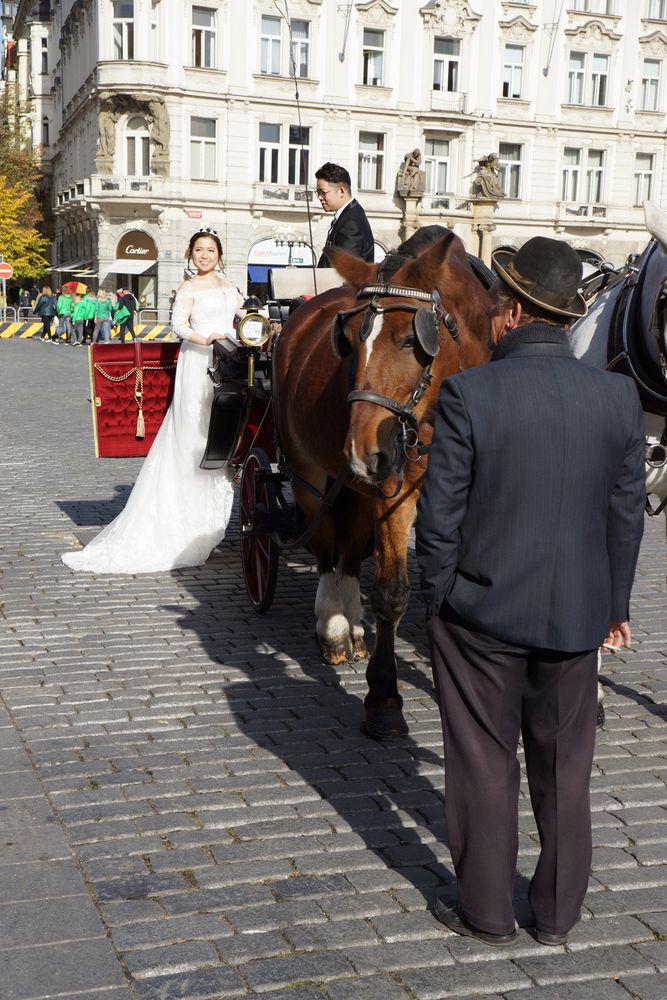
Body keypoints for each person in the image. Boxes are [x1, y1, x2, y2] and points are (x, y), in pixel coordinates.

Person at [415, 237, 646, 949]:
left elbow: (438, 517)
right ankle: (554, 916)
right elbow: (625, 512)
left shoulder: (468, 391)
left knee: (483, 762)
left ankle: (486, 913)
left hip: (479, 610)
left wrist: (439, 597)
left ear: (511, 312)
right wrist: (613, 606)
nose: (484, 316)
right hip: (577, 613)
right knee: (564, 768)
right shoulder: (615, 395)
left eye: (490, 305)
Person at [62, 226, 244, 574]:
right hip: (200, 361)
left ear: (219, 254)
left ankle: (206, 521)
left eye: (210, 250)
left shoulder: (230, 287)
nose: (205, 255)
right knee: (194, 437)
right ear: (192, 255)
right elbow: (177, 326)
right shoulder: (190, 288)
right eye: (199, 250)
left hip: (229, 359)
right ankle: (181, 521)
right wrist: (205, 338)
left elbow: (241, 318)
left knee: (221, 433)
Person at [315, 162, 374, 267]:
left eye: (323, 192)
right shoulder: (350, 214)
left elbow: (345, 272)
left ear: (341, 191)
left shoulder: (351, 223)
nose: (319, 197)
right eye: (317, 192)